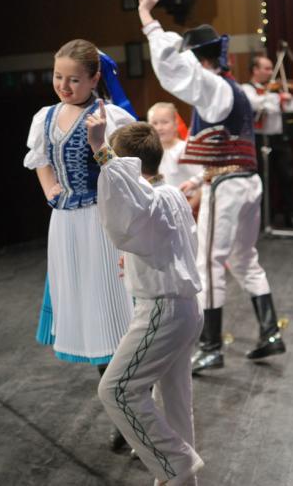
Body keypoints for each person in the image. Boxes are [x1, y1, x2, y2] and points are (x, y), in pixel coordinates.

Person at [138, 0, 286, 375]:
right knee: (243, 258)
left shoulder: (213, 86)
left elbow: (175, 70)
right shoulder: (232, 90)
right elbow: (227, 146)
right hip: (245, 182)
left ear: (198, 59)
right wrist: (200, 180)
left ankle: (211, 347)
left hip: (229, 186)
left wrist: (149, 22)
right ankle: (270, 332)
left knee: (208, 263)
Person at [23, 38, 135, 448]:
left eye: (73, 79)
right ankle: (122, 410)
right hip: (66, 225)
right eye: (58, 77)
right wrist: (50, 188)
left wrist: (99, 143)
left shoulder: (112, 117)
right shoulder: (46, 117)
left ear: (93, 78)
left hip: (100, 223)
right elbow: (40, 160)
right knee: (91, 316)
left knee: (112, 314)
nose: (64, 86)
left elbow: (128, 175)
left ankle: (130, 408)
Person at [87, 107, 204, 486]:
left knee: (116, 390)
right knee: (176, 403)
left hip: (163, 309)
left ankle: (177, 464)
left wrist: (101, 150)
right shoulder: (169, 194)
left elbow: (126, 200)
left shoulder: (149, 198)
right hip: (185, 308)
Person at [241, 54, 293, 228]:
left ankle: (291, 216)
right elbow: (254, 104)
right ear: (255, 70)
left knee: (287, 177)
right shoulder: (247, 89)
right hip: (259, 139)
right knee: (261, 180)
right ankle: (262, 220)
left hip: (280, 139)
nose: (270, 73)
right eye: (266, 68)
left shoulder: (276, 90)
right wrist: (277, 98)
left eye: (271, 69)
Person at [147, 102, 203, 215]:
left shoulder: (186, 149)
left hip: (190, 207)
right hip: (164, 210)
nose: (159, 128)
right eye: (154, 123)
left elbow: (204, 180)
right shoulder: (150, 154)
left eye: (165, 122)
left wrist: (190, 207)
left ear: (176, 124)